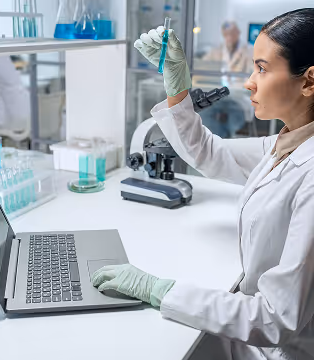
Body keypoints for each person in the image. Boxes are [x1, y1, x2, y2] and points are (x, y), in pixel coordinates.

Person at [93, 8, 314, 360]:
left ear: (308, 81)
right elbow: (211, 153)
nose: (249, 82)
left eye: (262, 68)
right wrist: (177, 86)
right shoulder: (287, 143)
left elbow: (276, 320)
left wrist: (159, 290)